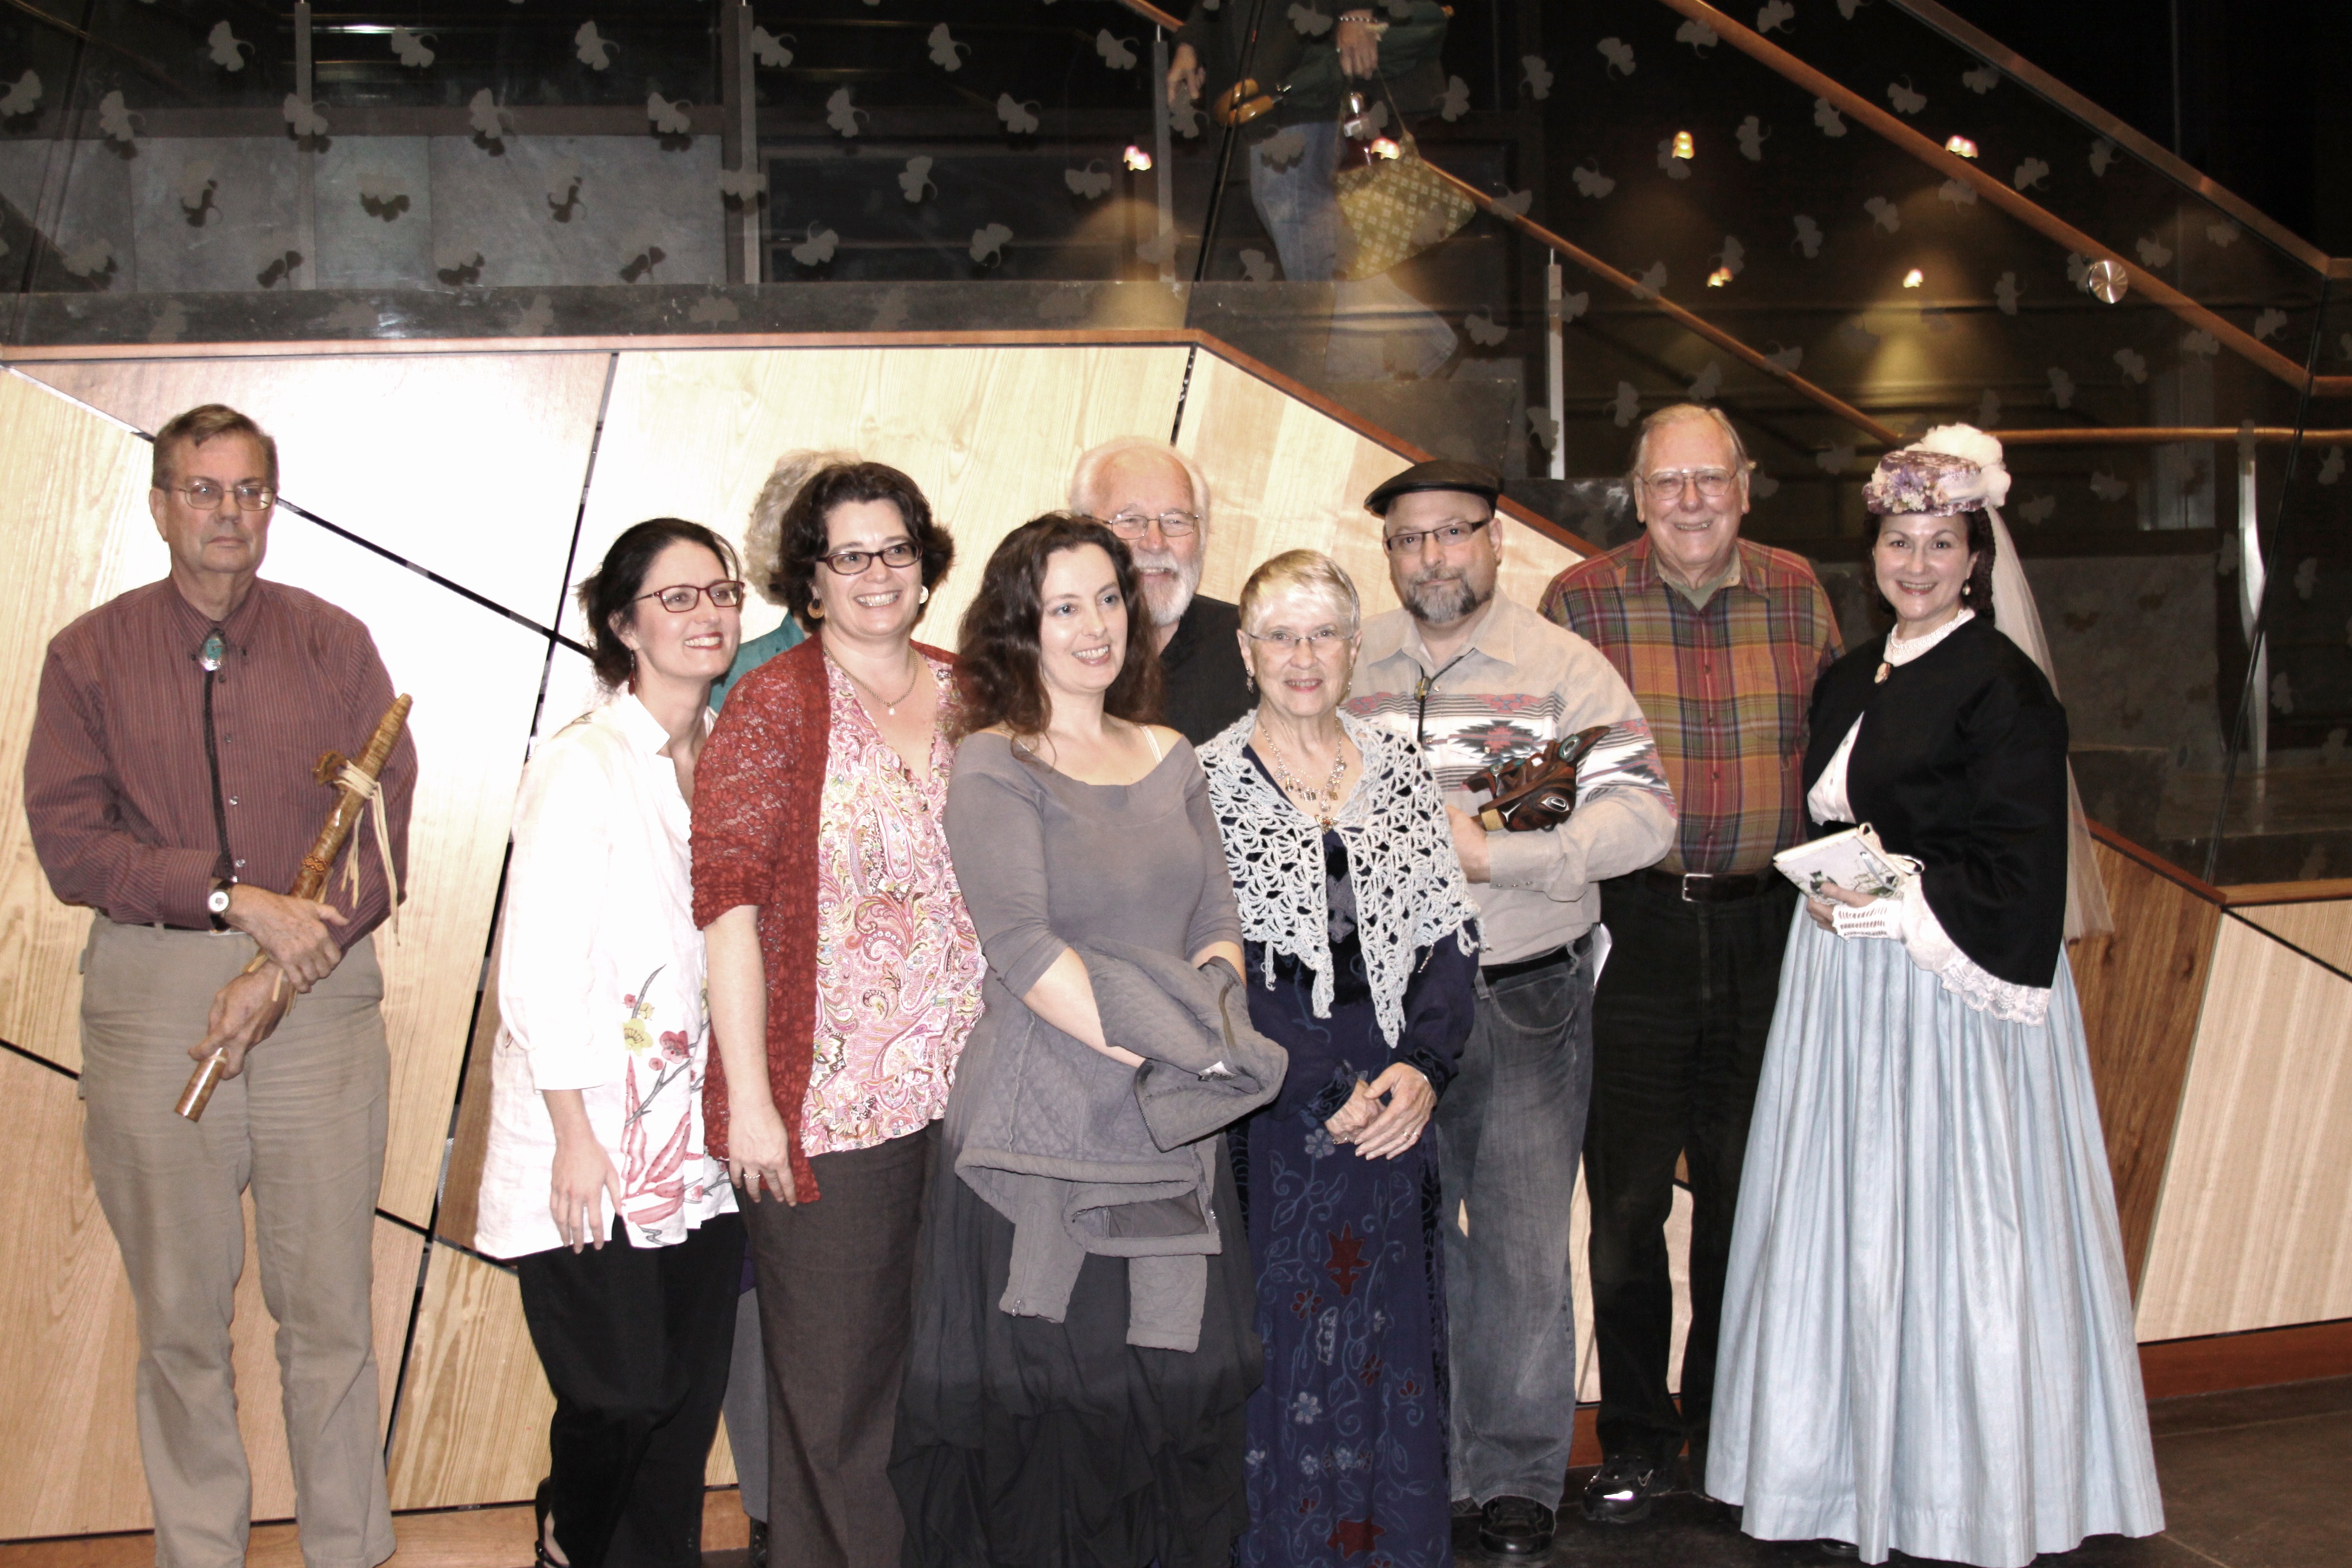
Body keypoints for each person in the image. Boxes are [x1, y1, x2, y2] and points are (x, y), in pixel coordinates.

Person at [1708, 431, 2164, 1566]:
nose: (1915, 563)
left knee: (1950, 1229)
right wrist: (1830, 893)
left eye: (1940, 544)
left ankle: (1961, 1489)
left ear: (1974, 557)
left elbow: (2017, 868)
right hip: (1839, 991)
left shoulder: (2002, 685)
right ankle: (1834, 1471)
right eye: (1898, 541)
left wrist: (1895, 904)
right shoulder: (1849, 674)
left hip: (1945, 1001)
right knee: (1843, 1223)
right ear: (1871, 553)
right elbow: (1836, 819)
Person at [23, 403, 414, 1568]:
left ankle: (348, 1550)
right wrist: (231, 899)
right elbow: (70, 845)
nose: (227, 513)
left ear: (270, 507)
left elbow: (383, 825)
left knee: (330, 1313)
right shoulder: (88, 655)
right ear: (160, 506)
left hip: (320, 991)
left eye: (248, 491)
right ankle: (198, 1552)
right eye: (203, 489)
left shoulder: (335, 643)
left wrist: (292, 953)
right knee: (180, 1321)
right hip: (154, 996)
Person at [893, 513, 1278, 1568]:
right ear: (1021, 627)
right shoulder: (993, 761)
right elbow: (1023, 948)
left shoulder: (1169, 752)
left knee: (1168, 1395)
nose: (1096, 625)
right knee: (1053, 1408)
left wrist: (1206, 1039)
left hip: (1172, 1124)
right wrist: (1173, 1058)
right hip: (1046, 1128)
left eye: (1108, 598)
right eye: (1064, 607)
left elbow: (1217, 922)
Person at [1345, 459, 1676, 1557]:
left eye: (1454, 532)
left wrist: (1503, 857)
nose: (1432, 556)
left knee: (1525, 1251)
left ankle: (1517, 1479)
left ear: (1496, 541)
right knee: (1411, 1240)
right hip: (1391, 1007)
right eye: (1410, 539)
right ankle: (1429, 1461)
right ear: (1389, 554)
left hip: (1525, 993)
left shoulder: (1561, 669)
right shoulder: (1350, 663)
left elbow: (1644, 818)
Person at [1537, 404, 1843, 1523]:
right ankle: (1633, 1437)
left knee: (1743, 1197)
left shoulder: (1799, 592)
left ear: (1744, 484)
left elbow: (1837, 760)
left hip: (1772, 930)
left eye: (1708, 478)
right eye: (1666, 482)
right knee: (1623, 1206)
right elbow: (1534, 780)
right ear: (1636, 493)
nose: (1689, 501)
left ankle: (1726, 1430)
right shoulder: (1578, 601)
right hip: (1636, 930)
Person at [692, 462, 983, 1568]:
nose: (875, 572)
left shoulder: (974, 692)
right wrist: (752, 1105)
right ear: (809, 579)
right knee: (838, 1403)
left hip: (977, 1103)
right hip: (829, 1111)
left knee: (950, 1385)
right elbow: (728, 907)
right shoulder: (773, 701)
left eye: (894, 548)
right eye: (847, 554)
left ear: (925, 562)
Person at [1198, 550, 1479, 1568]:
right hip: (1275, 1105)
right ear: (1246, 652)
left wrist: (1427, 1068)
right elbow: (1217, 971)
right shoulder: (1205, 783)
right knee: (1282, 1337)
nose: (1303, 655)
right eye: (1280, 634)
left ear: (1356, 648)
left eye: (1324, 633)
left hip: (1397, 1099)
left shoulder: (1398, 769)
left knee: (1391, 1333)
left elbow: (1449, 939)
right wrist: (1322, 1084)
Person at [475, 519, 748, 1568]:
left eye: (720, 592)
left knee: (682, 1409)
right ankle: (568, 1533)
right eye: (677, 597)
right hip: (591, 1131)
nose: (707, 613)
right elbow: (537, 967)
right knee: (623, 1391)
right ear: (625, 626)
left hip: (704, 1140)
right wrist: (573, 1133)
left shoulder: (733, 758)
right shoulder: (584, 763)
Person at [705, 449, 842, 1568]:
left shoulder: (917, 676)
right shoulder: (744, 676)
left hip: (885, 1036)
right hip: (763, 1013)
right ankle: (769, 1512)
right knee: (765, 1278)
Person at [1169, 3, 1459, 381]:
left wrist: (1355, 10)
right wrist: (1193, 40)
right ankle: (1415, 346)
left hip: (1303, 57)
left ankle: (1351, 370)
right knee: (1293, 207)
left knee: (1292, 202)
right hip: (1273, 66)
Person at [1068, 436, 1250, 744]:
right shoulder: (1046, 649)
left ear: (1202, 536)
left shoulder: (1252, 650)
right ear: (1083, 532)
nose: (1155, 543)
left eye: (1176, 521)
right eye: (1130, 520)